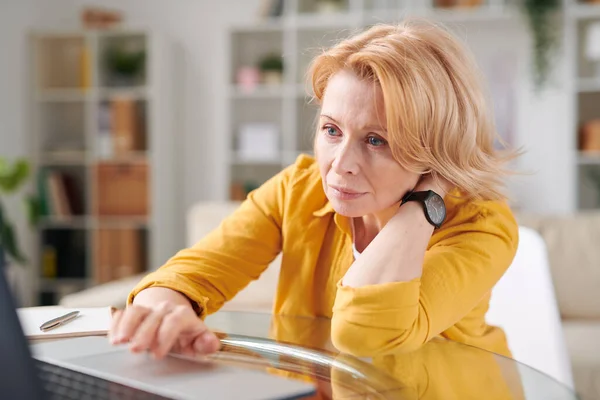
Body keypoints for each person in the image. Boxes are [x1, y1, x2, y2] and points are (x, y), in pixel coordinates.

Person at [109, 19, 520, 362]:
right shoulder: (299, 189)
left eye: (376, 140)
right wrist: (163, 307)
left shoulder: (482, 225)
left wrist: (424, 203)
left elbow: (364, 333)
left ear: (434, 151)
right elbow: (193, 272)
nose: (340, 164)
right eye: (331, 130)